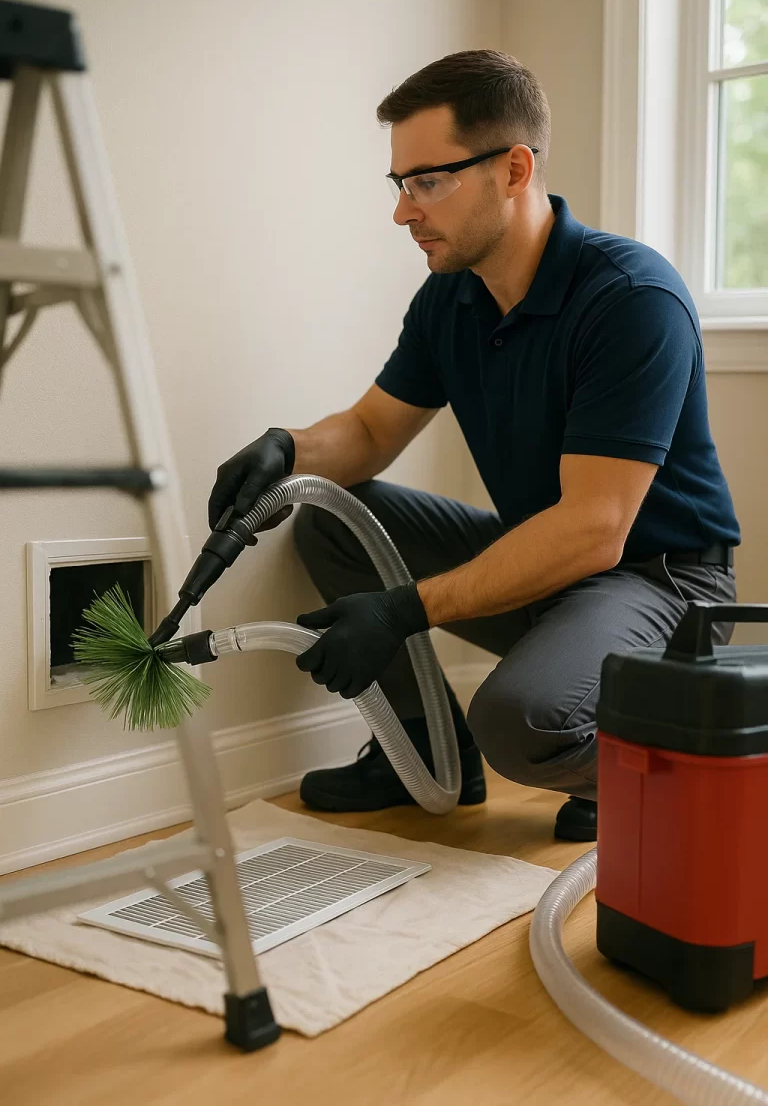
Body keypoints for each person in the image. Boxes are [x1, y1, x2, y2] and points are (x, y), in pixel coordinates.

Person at [207, 50, 740, 841]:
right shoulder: (451, 297)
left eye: (428, 181)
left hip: (660, 583)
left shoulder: (630, 299)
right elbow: (372, 431)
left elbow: (597, 529)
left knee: (523, 721)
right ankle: (423, 752)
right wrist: (286, 450)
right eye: (400, 185)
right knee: (334, 515)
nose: (403, 212)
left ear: (515, 169)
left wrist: (401, 612)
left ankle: (659, 762)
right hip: (552, 563)